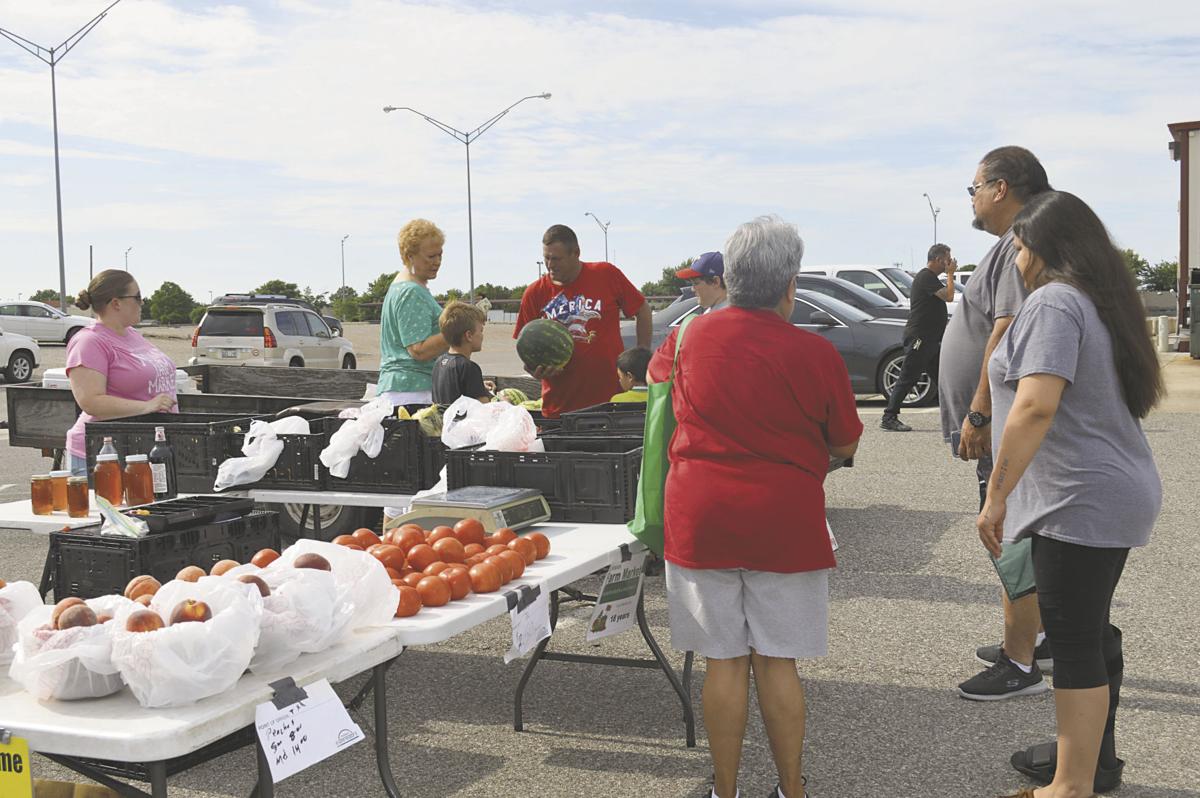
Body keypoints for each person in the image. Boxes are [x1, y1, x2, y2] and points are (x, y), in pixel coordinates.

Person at [650, 216, 862, 798]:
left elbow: (657, 389)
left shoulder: (689, 337)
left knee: (723, 661)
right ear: (789, 284)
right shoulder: (815, 352)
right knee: (778, 661)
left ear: (732, 278)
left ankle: (724, 790)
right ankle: (790, 789)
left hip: (701, 515)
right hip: (784, 522)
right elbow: (845, 441)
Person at [980, 191, 1163, 798]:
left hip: (1080, 499)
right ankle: (1093, 765)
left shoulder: (1055, 301)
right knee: (1091, 630)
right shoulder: (1096, 300)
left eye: (1023, 244)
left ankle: (1071, 785)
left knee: (1075, 636)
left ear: (1050, 249)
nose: (1017, 255)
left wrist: (997, 495)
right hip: (1105, 490)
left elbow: (1034, 404)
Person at [939, 146, 1054, 701]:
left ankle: (1020, 661)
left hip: (1000, 423)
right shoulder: (1016, 243)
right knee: (1014, 536)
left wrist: (979, 411)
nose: (974, 198)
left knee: (1005, 533)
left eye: (974, 188)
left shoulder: (1019, 245)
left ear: (1001, 188)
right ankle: (1034, 634)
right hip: (998, 421)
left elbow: (1005, 328)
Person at [514, 224, 652, 417]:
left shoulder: (606, 274)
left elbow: (642, 310)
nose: (550, 265)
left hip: (609, 403)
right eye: (546, 258)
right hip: (559, 408)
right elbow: (525, 346)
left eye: (556, 258)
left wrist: (642, 356)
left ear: (576, 253)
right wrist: (534, 369)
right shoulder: (534, 293)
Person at [65, 270, 178, 477]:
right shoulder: (89, 342)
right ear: (116, 303)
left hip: (141, 449)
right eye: (137, 297)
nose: (142, 303)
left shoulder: (132, 335)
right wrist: (147, 406)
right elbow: (90, 401)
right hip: (103, 456)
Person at [880, 244, 956, 431]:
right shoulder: (925, 277)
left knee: (943, 378)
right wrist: (950, 274)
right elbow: (949, 296)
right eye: (948, 259)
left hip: (931, 340)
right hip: (920, 339)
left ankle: (957, 417)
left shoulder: (930, 278)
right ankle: (889, 417)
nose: (950, 262)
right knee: (908, 377)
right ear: (939, 260)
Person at [378, 219, 450, 414]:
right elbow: (418, 350)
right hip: (412, 393)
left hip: (405, 391)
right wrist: (456, 332)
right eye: (430, 256)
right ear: (410, 256)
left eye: (440, 254)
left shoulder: (406, 286)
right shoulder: (411, 292)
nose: (437, 262)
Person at [432, 301, 493, 407]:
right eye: (480, 331)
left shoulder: (439, 362)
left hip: (443, 422)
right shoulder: (469, 368)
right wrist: (499, 399)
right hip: (463, 423)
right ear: (469, 335)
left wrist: (479, 386)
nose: (482, 335)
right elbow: (484, 409)